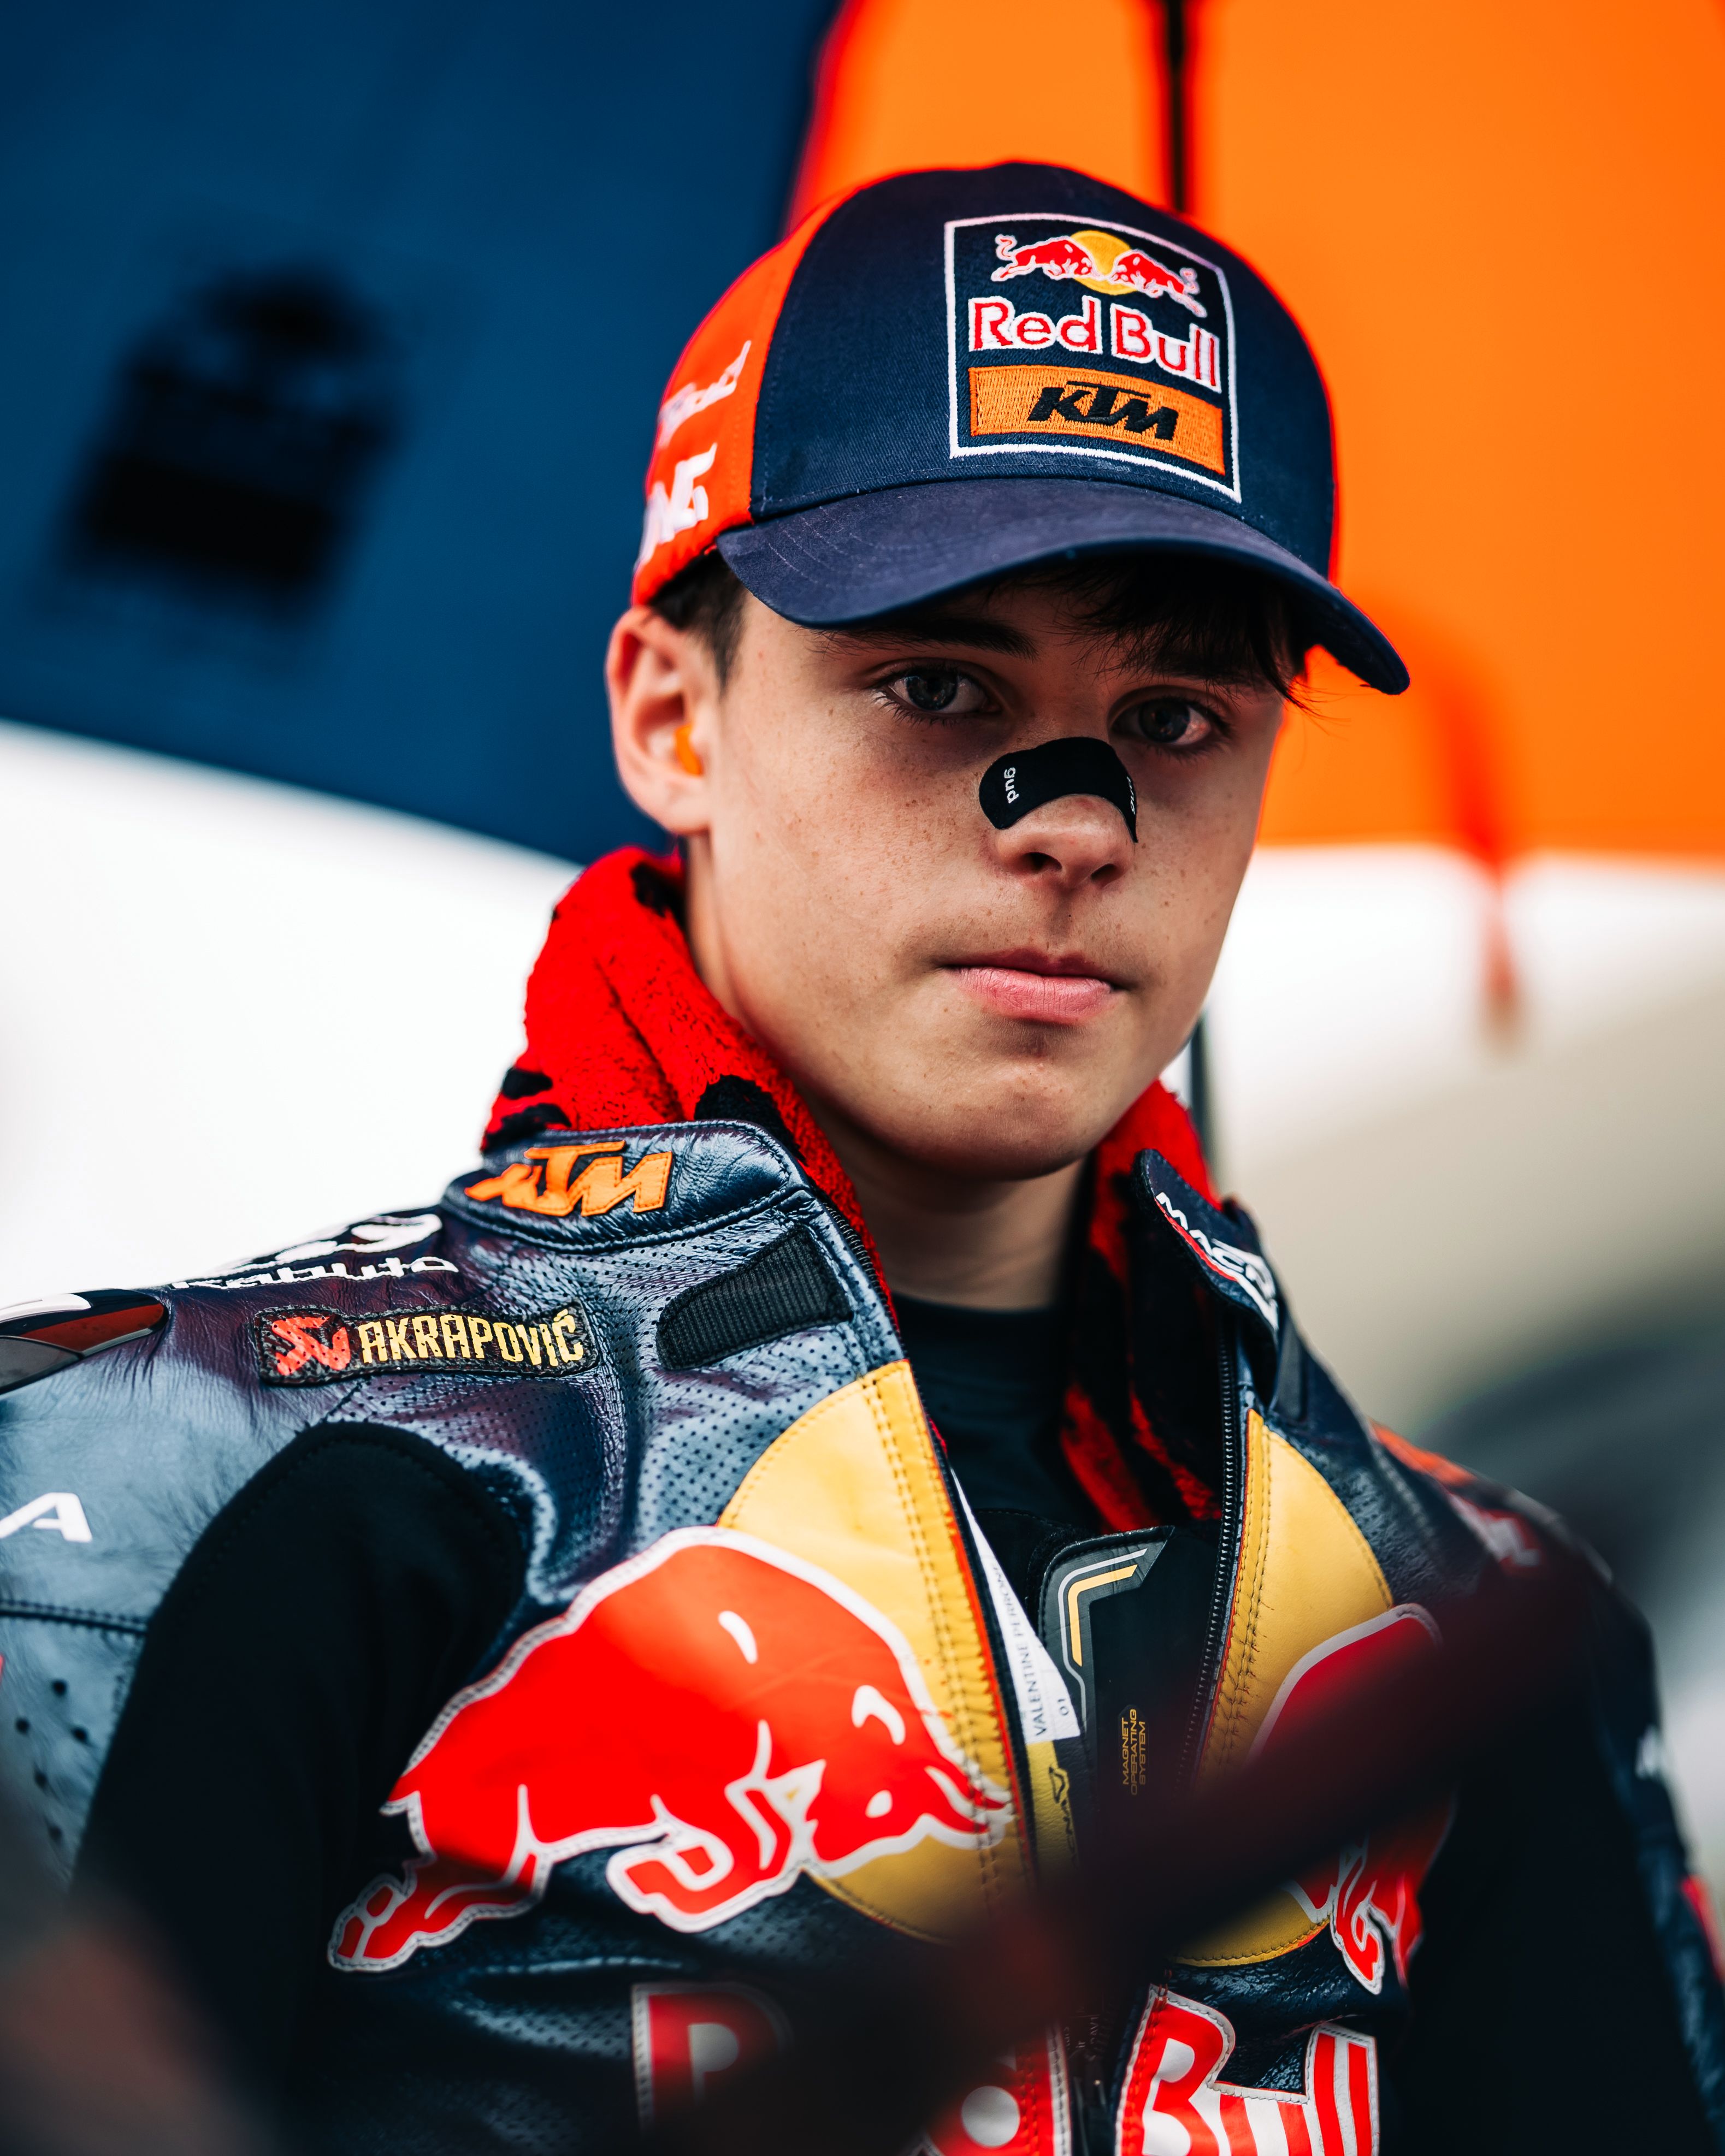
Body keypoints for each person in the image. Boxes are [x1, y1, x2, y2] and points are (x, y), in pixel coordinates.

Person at [0, 163, 1720, 2156]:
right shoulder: (189, 1474)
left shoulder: (1481, 1625)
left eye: (1175, 715)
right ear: (674, 715)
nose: (1077, 822)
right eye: (939, 685)